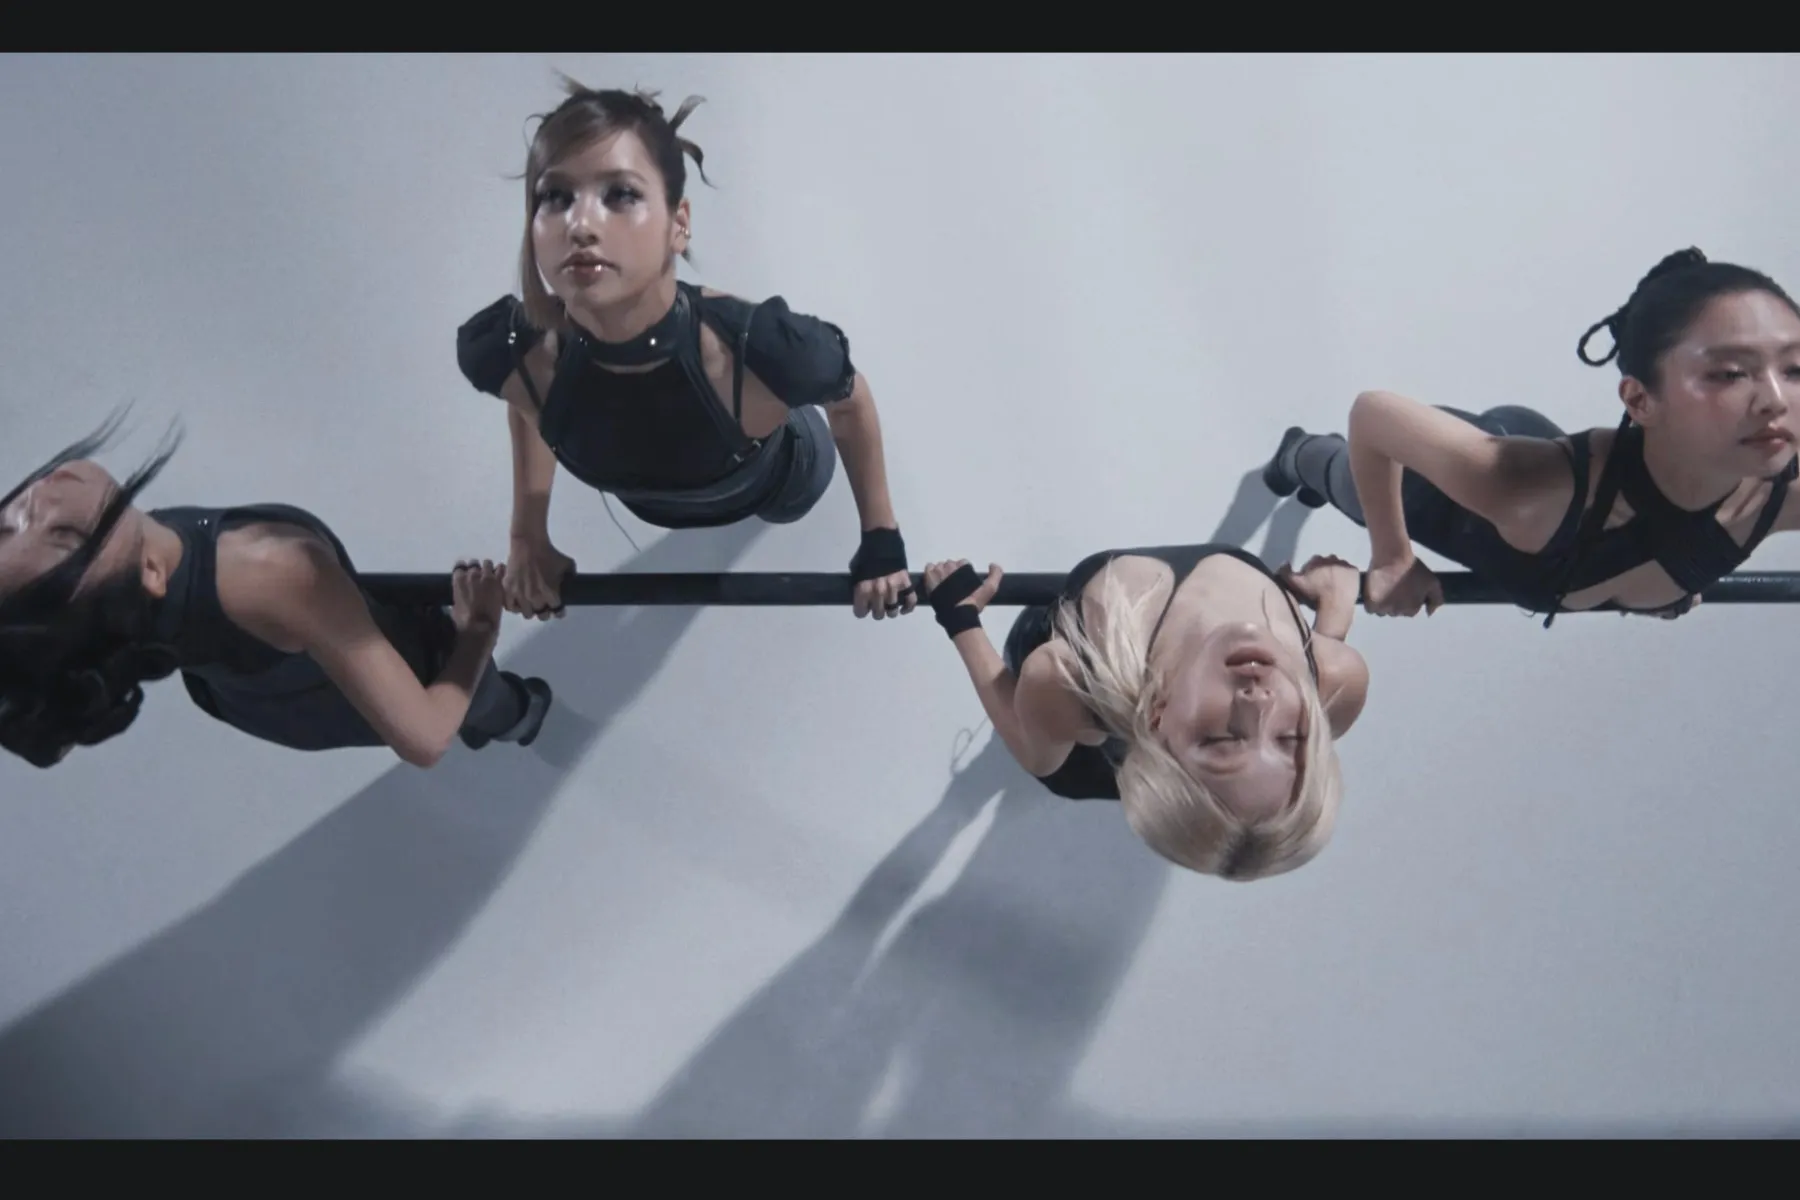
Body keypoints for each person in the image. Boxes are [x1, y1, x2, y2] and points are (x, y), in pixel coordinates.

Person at [454, 79, 916, 624]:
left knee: (787, 498)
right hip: (649, 499)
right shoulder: (508, 353)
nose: (580, 225)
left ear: (679, 223)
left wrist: (881, 536)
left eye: (620, 195)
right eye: (555, 197)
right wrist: (527, 536)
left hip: (784, 480)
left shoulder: (764, 351)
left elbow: (850, 397)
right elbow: (528, 398)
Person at [1262, 247, 1800, 624]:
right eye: (1731, 373)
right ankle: (1296, 453)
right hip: (1460, 489)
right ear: (1639, 399)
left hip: (1555, 458)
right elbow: (1374, 415)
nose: (1776, 399)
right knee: (1338, 471)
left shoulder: (1780, 491)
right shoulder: (1523, 493)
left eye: (1795, 369)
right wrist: (1392, 557)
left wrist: (1671, 574)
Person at [0, 412, 551, 771]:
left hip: (264, 689)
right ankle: (517, 718)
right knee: (485, 699)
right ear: (150, 574)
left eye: (6, 526)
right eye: (66, 534)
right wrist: (478, 628)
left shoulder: (135, 569)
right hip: (364, 682)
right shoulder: (274, 569)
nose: (39, 498)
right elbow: (425, 737)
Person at [916, 544, 1368, 881]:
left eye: (1221, 739)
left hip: (1076, 730)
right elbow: (1322, 659)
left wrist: (961, 621)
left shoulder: (1063, 677)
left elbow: (1038, 759)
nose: (1259, 703)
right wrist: (1336, 602)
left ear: (1156, 719)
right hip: (1152, 756)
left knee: (1051, 730)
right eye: (1290, 738)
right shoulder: (1334, 677)